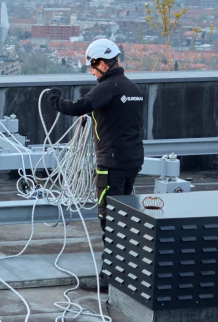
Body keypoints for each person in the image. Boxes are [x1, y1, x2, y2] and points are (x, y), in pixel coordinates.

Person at [45, 39, 145, 215]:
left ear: (102, 64)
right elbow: (118, 116)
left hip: (111, 163)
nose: (92, 73)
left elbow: (77, 106)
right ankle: (123, 242)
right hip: (133, 160)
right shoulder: (133, 89)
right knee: (125, 213)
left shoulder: (107, 88)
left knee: (109, 215)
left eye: (92, 67)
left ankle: (111, 243)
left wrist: (54, 99)